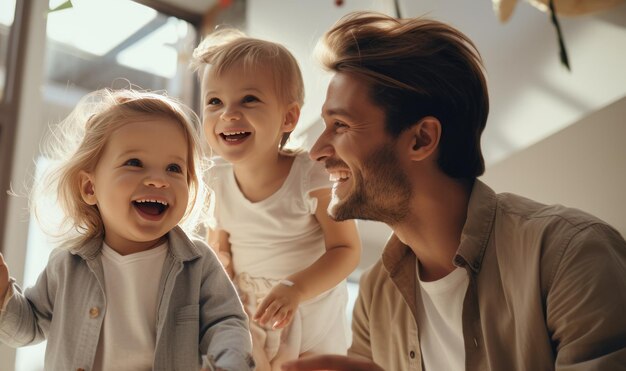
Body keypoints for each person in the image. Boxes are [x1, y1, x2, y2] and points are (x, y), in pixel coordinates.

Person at [282, 11, 626, 371]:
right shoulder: (375, 296)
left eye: (340, 125)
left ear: (422, 139)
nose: (317, 150)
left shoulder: (571, 257)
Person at [0, 89, 254, 371]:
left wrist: (229, 362)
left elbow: (226, 322)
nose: (158, 180)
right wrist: (2, 295)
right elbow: (29, 326)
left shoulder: (199, 264)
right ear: (90, 187)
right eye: (135, 163)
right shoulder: (66, 264)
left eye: (173, 168)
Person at [191, 28, 361, 371]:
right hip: (253, 322)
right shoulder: (216, 181)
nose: (228, 114)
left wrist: (295, 288)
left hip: (311, 325)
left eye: (248, 100)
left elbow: (346, 251)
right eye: (215, 102)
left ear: (288, 117)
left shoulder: (308, 176)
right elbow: (220, 248)